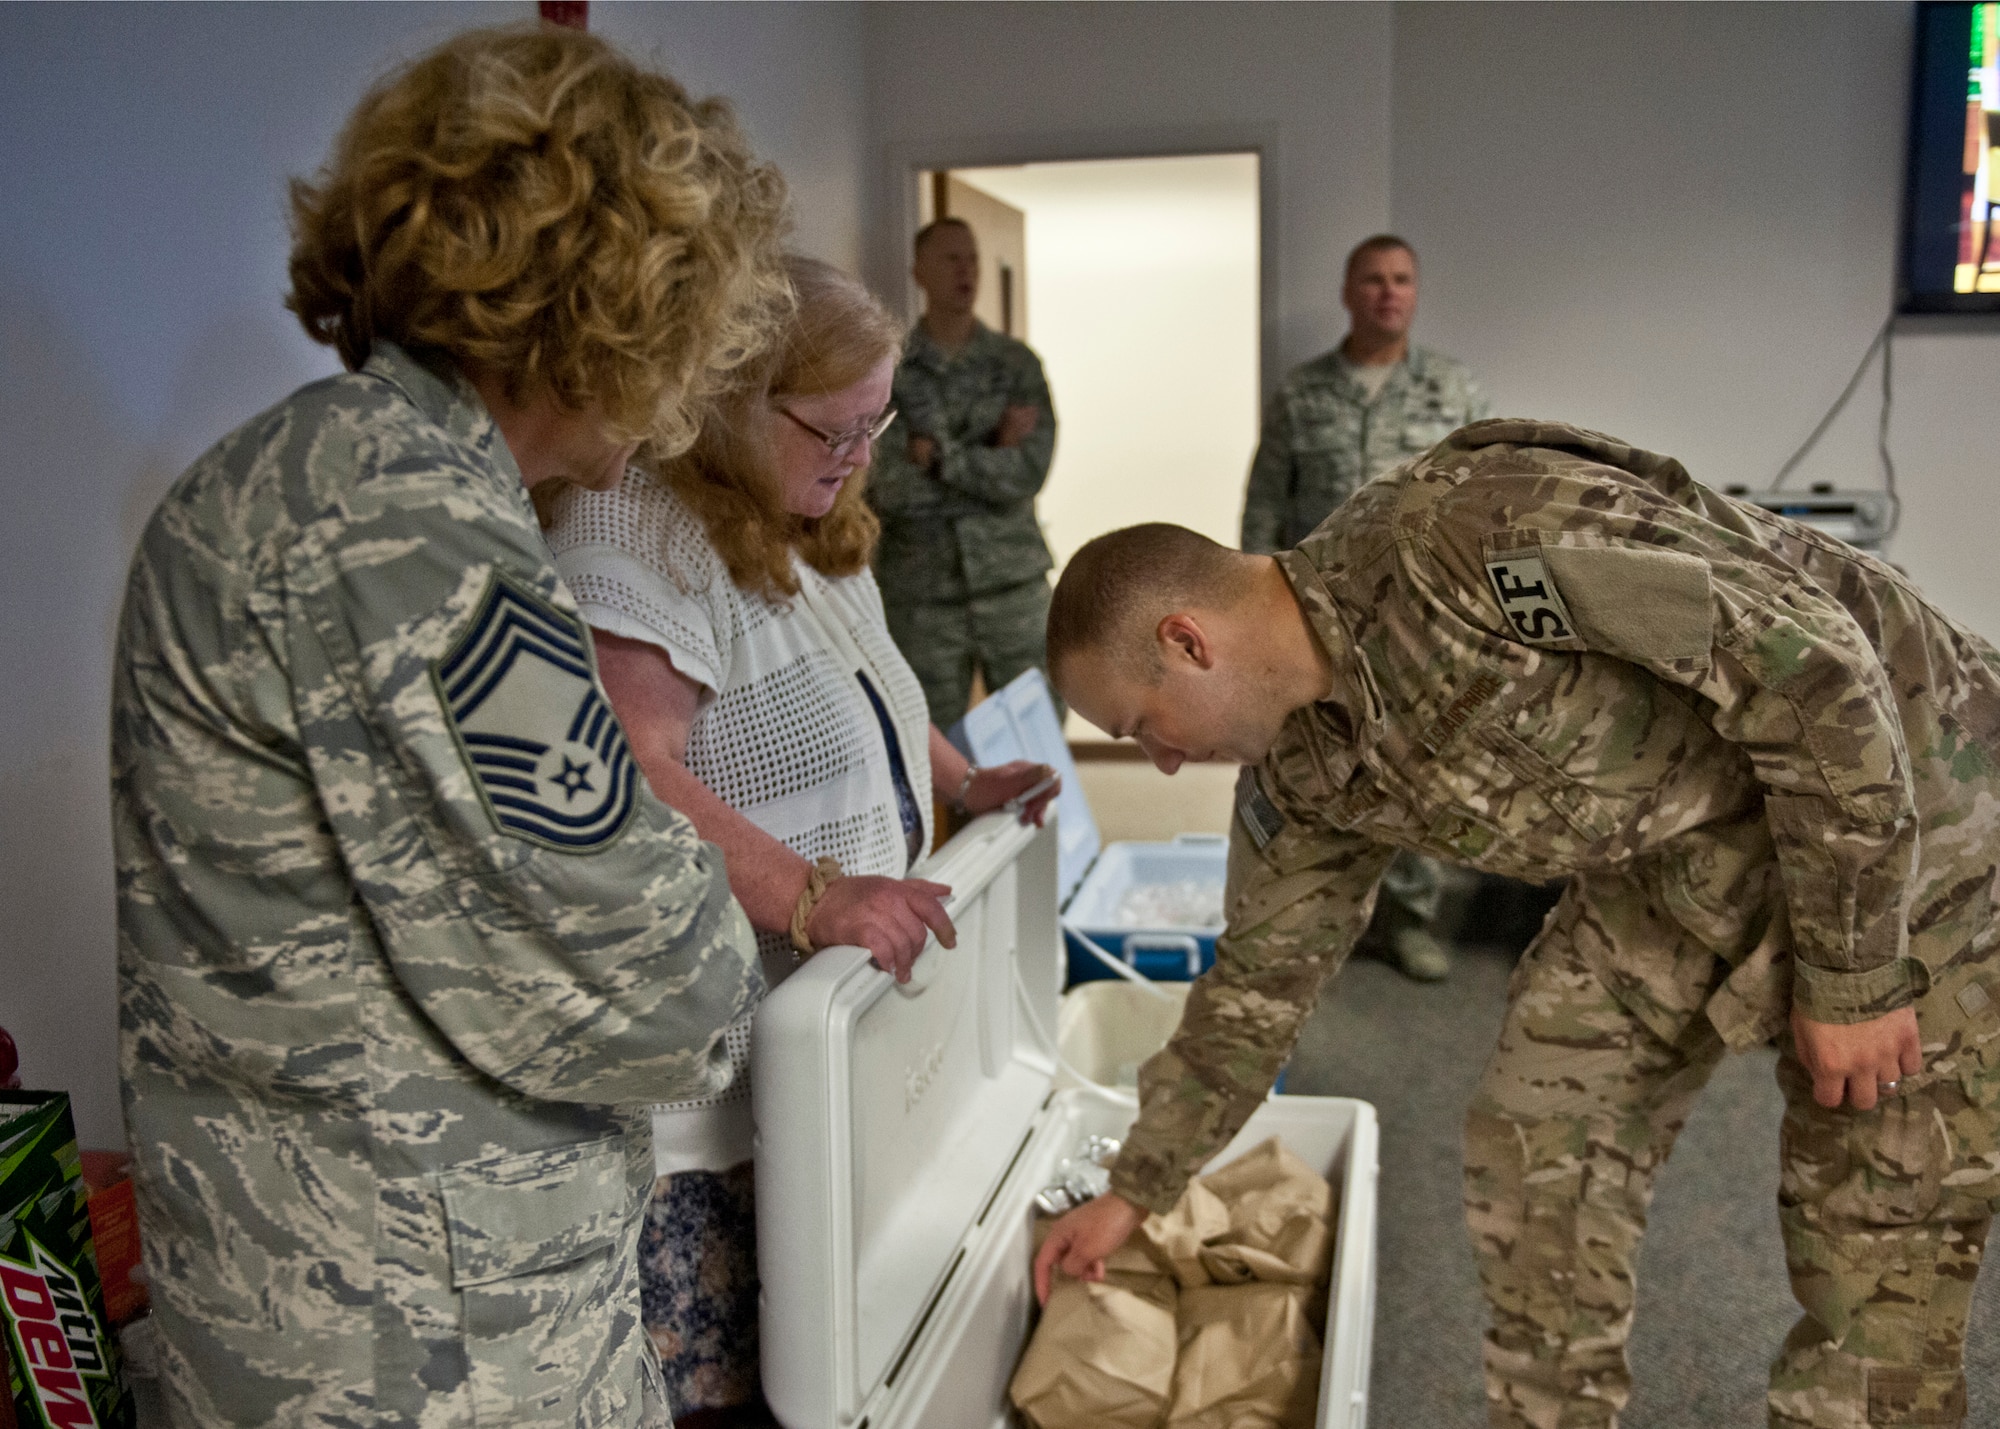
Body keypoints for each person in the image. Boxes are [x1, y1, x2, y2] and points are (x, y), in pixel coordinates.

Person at [1032, 420, 2000, 1429]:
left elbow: (1813, 671)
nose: (1162, 762)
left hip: (1917, 825)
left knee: (1875, 1245)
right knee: (1537, 1131)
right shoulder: (1306, 764)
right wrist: (1135, 1189)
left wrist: (1850, 976)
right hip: (1680, 853)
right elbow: (1254, 981)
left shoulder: (1465, 538)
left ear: (1186, 643)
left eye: (1141, 725)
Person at [111, 27, 791, 1427]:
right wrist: (727, 947)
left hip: (367, 1307)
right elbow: (646, 977)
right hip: (426, 1345)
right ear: (619, 293)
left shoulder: (329, 476)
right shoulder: (400, 514)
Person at [544, 255, 1058, 1423]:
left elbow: (868, 685)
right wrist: (809, 893)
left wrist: (963, 783)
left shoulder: (802, 512)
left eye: (877, 426)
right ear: (729, 401)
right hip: (715, 1089)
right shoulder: (636, 533)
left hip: (829, 1039)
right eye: (833, 427)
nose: (858, 456)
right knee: (758, 1390)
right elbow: (631, 772)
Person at [1241, 234, 1492, 982]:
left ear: (1416, 293)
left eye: (1402, 280)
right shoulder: (1303, 392)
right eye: (1374, 280)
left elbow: (1485, 500)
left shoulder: (1456, 390)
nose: (1389, 292)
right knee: (1322, 763)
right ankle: (1325, 916)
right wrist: (1252, 600)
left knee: (1414, 764)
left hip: (1422, 615)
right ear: (1349, 293)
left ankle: (1409, 918)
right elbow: (1263, 505)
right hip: (1316, 616)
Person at [867, 216, 1059, 731]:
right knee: (922, 751)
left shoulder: (1016, 365)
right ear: (919, 272)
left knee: (1036, 743)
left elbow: (1026, 473)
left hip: (1012, 587)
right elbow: (887, 489)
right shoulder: (889, 371)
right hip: (922, 597)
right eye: (951, 258)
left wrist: (938, 459)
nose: (966, 270)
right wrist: (991, 447)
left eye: (972, 258)